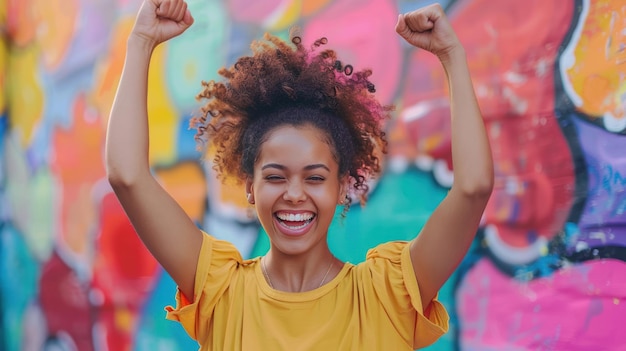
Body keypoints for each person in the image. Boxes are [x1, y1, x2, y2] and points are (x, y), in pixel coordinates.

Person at [105, 0, 494, 349]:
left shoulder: (387, 293)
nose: (294, 194)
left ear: (343, 187)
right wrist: (140, 42)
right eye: (275, 177)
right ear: (250, 187)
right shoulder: (219, 289)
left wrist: (450, 54)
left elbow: (473, 188)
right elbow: (127, 176)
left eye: (314, 177)